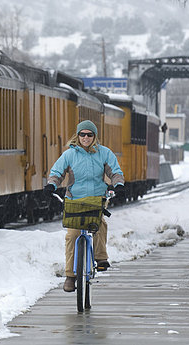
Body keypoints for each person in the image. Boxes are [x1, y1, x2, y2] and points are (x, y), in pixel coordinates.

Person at [43, 120, 125, 292]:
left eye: (89, 135)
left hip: (97, 199)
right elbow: (57, 172)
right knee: (72, 235)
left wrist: (119, 184)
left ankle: (101, 258)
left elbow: (115, 172)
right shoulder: (69, 155)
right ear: (77, 136)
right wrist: (52, 184)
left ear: (94, 137)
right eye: (82, 134)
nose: (86, 138)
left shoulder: (104, 153)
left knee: (99, 224)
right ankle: (70, 276)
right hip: (74, 200)